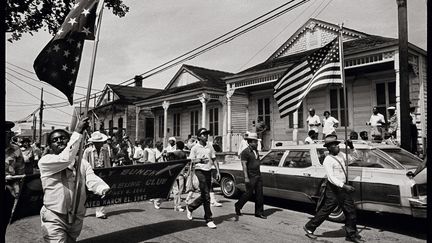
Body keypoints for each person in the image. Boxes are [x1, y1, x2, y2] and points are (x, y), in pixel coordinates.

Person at [38, 117, 110, 242]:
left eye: (63, 138)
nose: (60, 141)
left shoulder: (82, 163)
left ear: (69, 140)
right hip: (54, 216)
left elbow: (91, 178)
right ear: (50, 146)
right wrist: (78, 131)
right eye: (55, 140)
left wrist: (101, 188)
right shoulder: (46, 161)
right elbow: (65, 159)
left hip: (76, 217)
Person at [303, 134, 362, 242]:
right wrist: (344, 186)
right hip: (333, 188)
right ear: (329, 147)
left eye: (337, 144)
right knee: (326, 210)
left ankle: (351, 235)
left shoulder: (341, 155)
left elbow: (355, 158)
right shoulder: (328, 160)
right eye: (334, 145)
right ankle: (309, 227)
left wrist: (352, 147)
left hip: (343, 188)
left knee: (350, 211)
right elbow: (331, 178)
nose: (338, 146)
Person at [186, 128, 220, 229]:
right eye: (204, 134)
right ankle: (209, 219)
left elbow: (214, 159)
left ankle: (191, 206)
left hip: (208, 171)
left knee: (205, 195)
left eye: (207, 134)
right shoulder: (195, 148)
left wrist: (218, 171)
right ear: (199, 136)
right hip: (199, 171)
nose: (206, 136)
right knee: (206, 195)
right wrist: (199, 160)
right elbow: (191, 162)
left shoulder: (210, 146)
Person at [234, 132, 266, 219]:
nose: (256, 143)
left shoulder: (256, 151)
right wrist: (246, 177)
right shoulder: (245, 152)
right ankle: (238, 205)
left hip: (258, 174)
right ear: (250, 142)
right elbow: (244, 165)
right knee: (248, 193)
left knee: (259, 193)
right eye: (255, 142)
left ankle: (259, 212)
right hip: (250, 174)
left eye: (256, 142)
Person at [83, 131, 111, 219]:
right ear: (93, 143)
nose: (99, 144)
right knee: (86, 193)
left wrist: (109, 171)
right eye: (97, 143)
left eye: (100, 142)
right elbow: (83, 163)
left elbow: (107, 162)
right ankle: (82, 211)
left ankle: (100, 212)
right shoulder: (88, 151)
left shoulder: (105, 150)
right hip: (91, 173)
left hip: (102, 172)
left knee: (101, 192)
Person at [4, 121, 24, 235]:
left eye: (9, 133)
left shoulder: (16, 149)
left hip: (9, 192)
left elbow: (20, 171)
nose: (9, 135)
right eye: (6, 132)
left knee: (4, 223)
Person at [167, 141, 188, 212]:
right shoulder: (184, 154)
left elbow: (170, 163)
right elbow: (185, 164)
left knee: (175, 190)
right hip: (181, 173)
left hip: (174, 173)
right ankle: (178, 206)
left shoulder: (173, 153)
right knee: (179, 190)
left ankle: (176, 206)